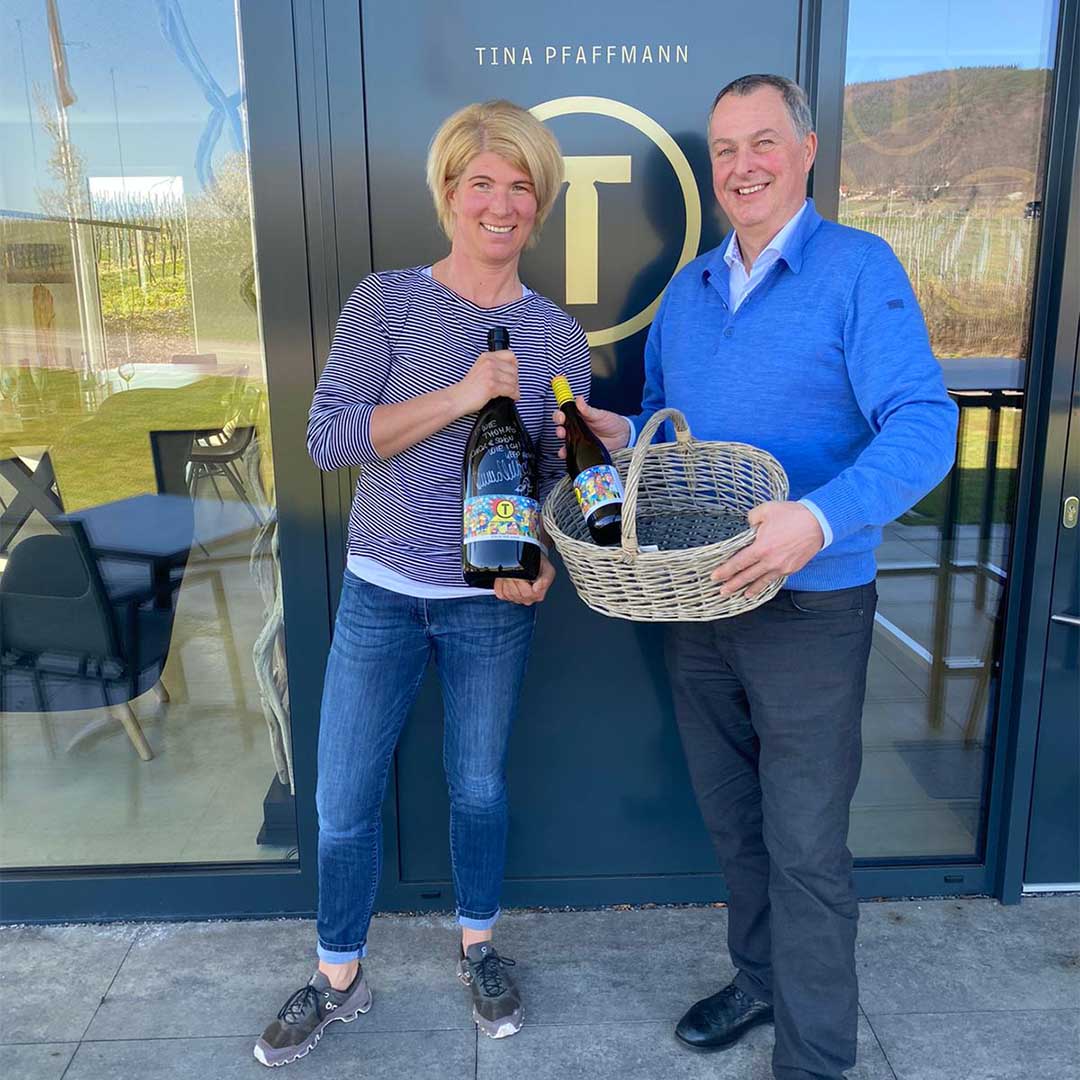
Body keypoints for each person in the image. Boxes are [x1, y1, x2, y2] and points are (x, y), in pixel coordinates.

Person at [554, 74, 958, 1080]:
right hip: (701, 603)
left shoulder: (858, 270)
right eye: (725, 149)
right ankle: (760, 979)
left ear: (807, 150)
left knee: (806, 843)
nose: (743, 166)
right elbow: (673, 433)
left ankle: (814, 1057)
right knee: (736, 823)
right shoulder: (689, 292)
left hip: (810, 607)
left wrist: (817, 519)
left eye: (763, 142)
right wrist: (624, 437)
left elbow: (927, 424)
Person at [254, 99, 590, 1068]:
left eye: (520, 186)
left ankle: (478, 949)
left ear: (540, 205)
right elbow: (330, 439)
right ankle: (337, 977)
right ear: (448, 193)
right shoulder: (388, 301)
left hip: (490, 606)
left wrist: (543, 556)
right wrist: (463, 394)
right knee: (343, 799)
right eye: (481, 183)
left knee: (478, 789)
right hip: (380, 594)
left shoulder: (556, 336)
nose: (500, 204)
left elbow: (559, 479)